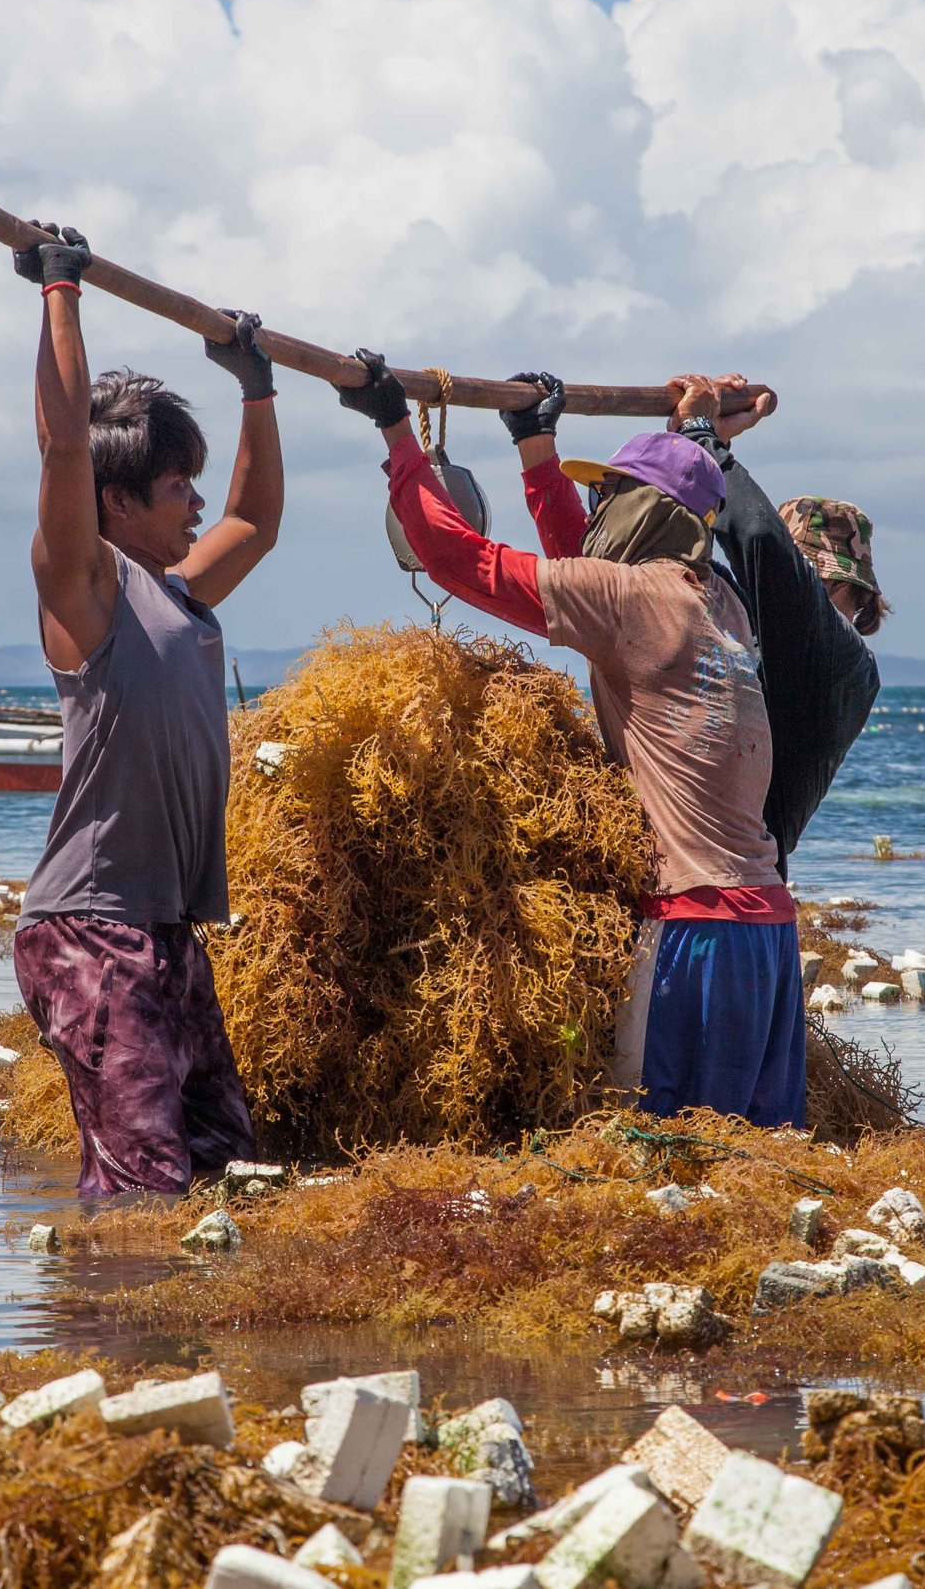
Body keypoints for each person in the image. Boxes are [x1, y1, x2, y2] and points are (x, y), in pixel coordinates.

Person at [339, 351, 804, 1129]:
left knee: (660, 1156)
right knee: (756, 1169)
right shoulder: (720, 601)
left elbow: (458, 559)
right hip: (769, 932)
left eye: (606, 494)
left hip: (696, 934)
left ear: (640, 511)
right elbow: (591, 559)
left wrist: (396, 430)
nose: (594, 509)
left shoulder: (631, 601)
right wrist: (536, 446)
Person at [10, 224, 283, 1197]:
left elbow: (256, 521)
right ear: (117, 501)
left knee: (225, 1162)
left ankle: (189, 1337)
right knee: (140, 1181)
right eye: (177, 488)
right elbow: (64, 442)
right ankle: (112, 1341)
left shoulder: (184, 592)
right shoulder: (87, 587)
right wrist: (60, 293)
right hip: (88, 927)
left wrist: (257, 387)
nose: (197, 506)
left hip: (164, 929)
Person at [670, 374, 886, 876]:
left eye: (803, 579)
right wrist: (693, 447)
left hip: (734, 887)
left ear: (844, 591)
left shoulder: (839, 660)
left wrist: (701, 436)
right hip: (712, 877)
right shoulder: (761, 642)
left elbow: (759, 539)